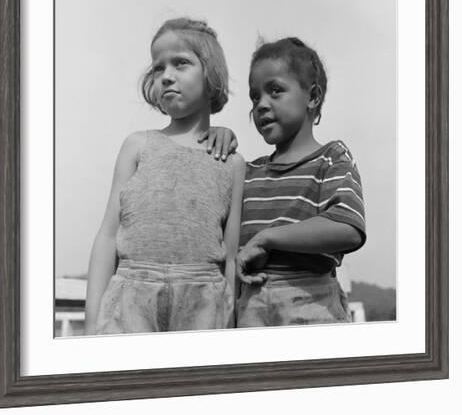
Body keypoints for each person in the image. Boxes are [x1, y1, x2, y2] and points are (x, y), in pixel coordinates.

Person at [84, 18, 245, 335]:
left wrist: (232, 328)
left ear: (210, 72)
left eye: (180, 63)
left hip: (205, 303)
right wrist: (91, 321)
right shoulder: (137, 146)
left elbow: (231, 255)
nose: (167, 76)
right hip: (130, 297)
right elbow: (107, 236)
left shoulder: (232, 162)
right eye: (158, 68)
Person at [236, 37, 366, 327]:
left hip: (314, 303)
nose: (261, 105)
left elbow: (348, 227)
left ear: (312, 96)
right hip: (249, 307)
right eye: (254, 97)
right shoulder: (247, 172)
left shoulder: (331, 158)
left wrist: (267, 238)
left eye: (275, 91)